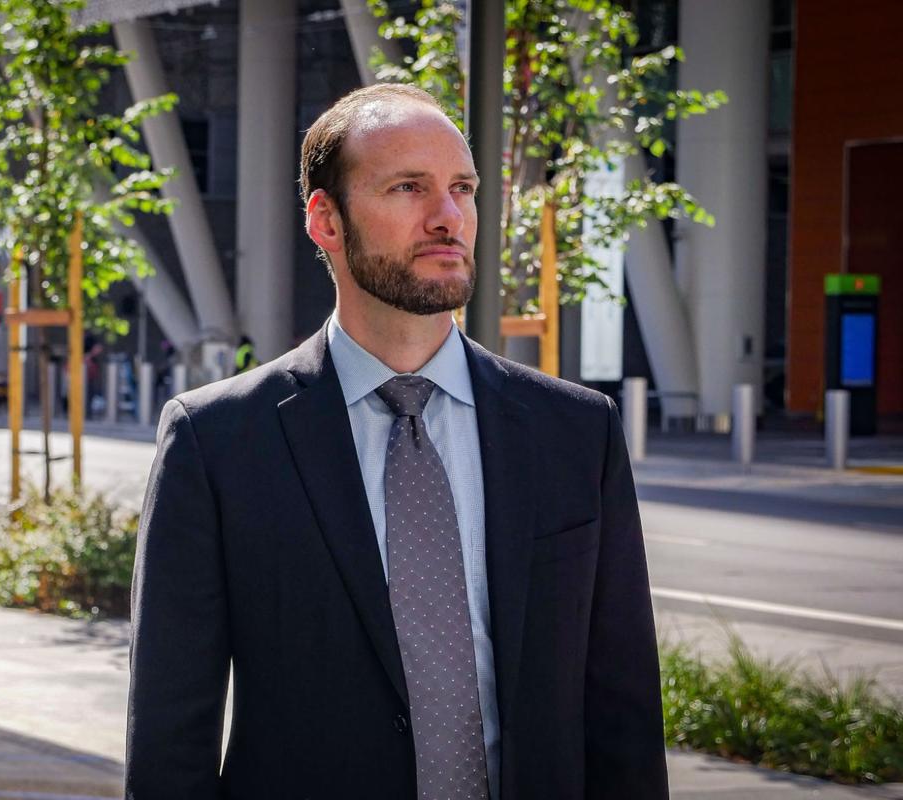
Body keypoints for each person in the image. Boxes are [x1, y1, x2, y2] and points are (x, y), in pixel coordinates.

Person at [126, 84, 667, 800]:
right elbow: (171, 737)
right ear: (326, 220)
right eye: (409, 187)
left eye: (462, 189)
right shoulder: (217, 442)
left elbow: (623, 712)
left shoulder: (575, 431)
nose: (448, 217)